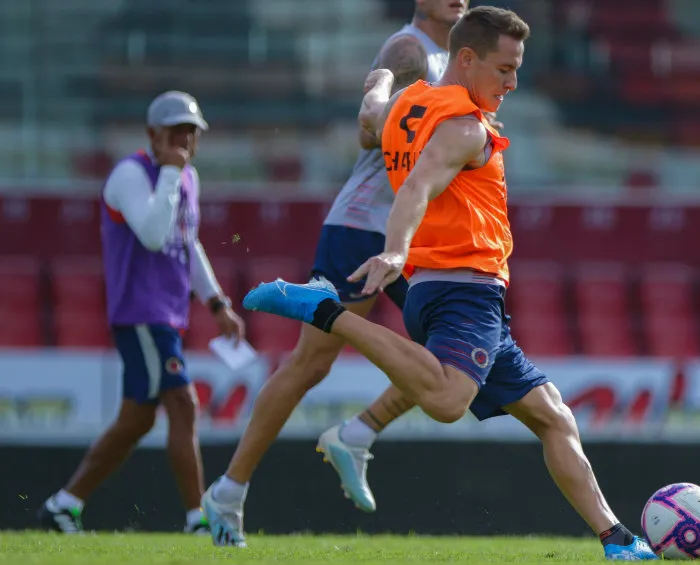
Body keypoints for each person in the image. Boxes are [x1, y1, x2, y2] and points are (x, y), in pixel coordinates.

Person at [239, 6, 657, 561]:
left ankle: (617, 540)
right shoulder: (463, 128)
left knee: (553, 416)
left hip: (459, 290)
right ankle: (325, 310)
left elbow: (370, 117)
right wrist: (393, 248)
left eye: (516, 70)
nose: (512, 82)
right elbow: (415, 188)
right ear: (466, 59)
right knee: (445, 400)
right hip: (463, 288)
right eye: (504, 69)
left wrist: (382, 80)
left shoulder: (410, 105)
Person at [199, 0, 469, 546]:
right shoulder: (408, 49)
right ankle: (230, 490)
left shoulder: (448, 56)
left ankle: (356, 433)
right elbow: (369, 133)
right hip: (366, 225)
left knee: (451, 355)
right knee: (311, 363)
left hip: (407, 230)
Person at [37, 91, 245, 535]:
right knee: (184, 405)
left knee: (137, 418)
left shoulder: (185, 177)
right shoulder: (131, 176)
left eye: (192, 132)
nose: (185, 141)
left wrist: (216, 303)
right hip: (142, 313)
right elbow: (152, 234)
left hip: (167, 314)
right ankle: (198, 520)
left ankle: (62, 504)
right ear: (152, 133)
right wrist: (170, 173)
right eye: (176, 131)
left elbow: (187, 243)